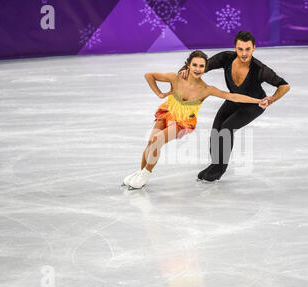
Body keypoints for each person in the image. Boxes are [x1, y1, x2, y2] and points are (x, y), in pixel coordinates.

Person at [122, 50, 268, 189]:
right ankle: (140, 173)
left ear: (205, 68)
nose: (198, 69)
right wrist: (160, 94)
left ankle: (146, 174)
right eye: (195, 65)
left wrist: (257, 101)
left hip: (183, 122)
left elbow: (232, 96)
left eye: (201, 66)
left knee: (156, 140)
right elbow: (149, 75)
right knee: (150, 142)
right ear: (188, 65)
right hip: (167, 112)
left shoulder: (206, 89)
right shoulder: (176, 78)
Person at [180, 31, 290, 182]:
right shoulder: (226, 58)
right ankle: (215, 164)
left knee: (227, 128)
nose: (244, 53)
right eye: (240, 49)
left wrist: (271, 99)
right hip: (234, 100)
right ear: (235, 48)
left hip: (254, 104)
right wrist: (187, 71)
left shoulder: (260, 70)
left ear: (254, 48)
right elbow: (204, 66)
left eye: (247, 49)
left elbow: (284, 85)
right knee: (216, 130)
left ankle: (219, 169)